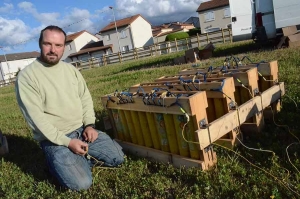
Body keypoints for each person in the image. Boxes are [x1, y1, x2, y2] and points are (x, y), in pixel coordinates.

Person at [15, 25, 124, 191]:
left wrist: (89, 125)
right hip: (55, 140)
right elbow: (37, 121)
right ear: (39, 44)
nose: (53, 50)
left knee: (118, 158)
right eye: (47, 44)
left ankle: (78, 160)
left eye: (58, 45)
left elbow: (85, 98)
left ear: (64, 47)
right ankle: (56, 162)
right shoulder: (27, 77)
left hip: (82, 131)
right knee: (81, 184)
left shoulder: (71, 70)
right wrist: (68, 142)